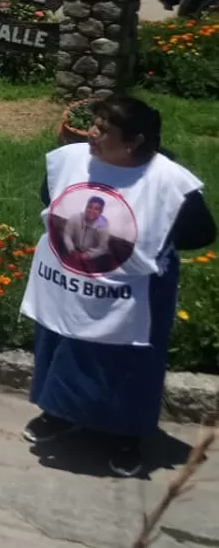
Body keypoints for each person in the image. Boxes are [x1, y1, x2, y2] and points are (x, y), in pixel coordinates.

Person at [19, 96, 215, 477]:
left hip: (132, 293)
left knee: (127, 364)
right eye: (94, 123)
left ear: (134, 141)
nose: (91, 132)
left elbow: (201, 232)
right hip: (71, 281)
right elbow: (52, 197)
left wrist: (147, 241)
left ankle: (126, 436)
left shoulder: (168, 181)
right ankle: (57, 414)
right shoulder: (72, 159)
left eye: (103, 129)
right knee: (63, 344)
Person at [59, 195, 112, 272]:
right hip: (74, 249)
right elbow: (67, 234)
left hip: (91, 254)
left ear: (101, 212)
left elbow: (103, 248)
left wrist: (88, 255)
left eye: (96, 209)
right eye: (89, 207)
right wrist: (71, 249)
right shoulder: (75, 218)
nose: (92, 211)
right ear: (86, 207)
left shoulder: (103, 227)